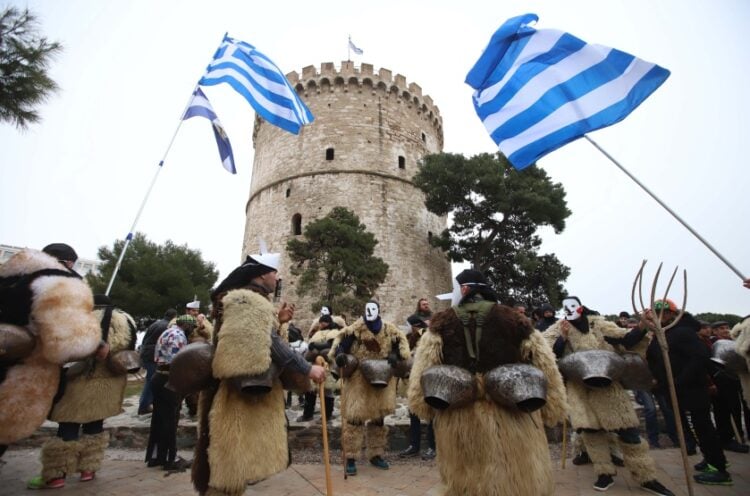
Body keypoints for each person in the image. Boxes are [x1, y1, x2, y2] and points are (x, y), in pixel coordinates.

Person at [408, 269, 567, 495]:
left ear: (464, 289)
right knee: (516, 478)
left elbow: (423, 370)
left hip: (459, 419)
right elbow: (545, 364)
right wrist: (552, 407)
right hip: (512, 414)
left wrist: (423, 407)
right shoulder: (514, 319)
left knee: (464, 482)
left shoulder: (441, 323)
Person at [191, 250, 326, 496]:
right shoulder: (248, 300)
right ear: (263, 275)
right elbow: (270, 343)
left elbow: (262, 335)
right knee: (228, 467)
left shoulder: (243, 299)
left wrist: (279, 320)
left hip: (239, 395)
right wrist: (307, 368)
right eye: (275, 272)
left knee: (236, 463)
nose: (277, 277)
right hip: (239, 396)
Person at [545, 296, 674, 495]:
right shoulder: (560, 328)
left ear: (581, 307)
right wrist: (562, 338)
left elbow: (625, 339)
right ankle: (604, 473)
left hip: (608, 386)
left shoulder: (599, 323)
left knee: (628, 431)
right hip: (580, 389)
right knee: (591, 432)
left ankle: (646, 477)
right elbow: (551, 354)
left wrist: (643, 325)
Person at [28, 295, 137, 489]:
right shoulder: (126, 321)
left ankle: (56, 473)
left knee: (69, 424)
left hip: (81, 381)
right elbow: (129, 351)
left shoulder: (83, 319)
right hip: (109, 383)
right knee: (95, 425)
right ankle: (88, 469)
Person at [0, 246, 101, 456]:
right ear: (70, 262)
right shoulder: (59, 281)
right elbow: (71, 344)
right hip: (19, 380)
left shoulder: (8, 277)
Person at [645, 299, 733, 486]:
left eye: (661, 313)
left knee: (703, 426)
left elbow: (699, 357)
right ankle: (711, 459)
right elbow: (654, 356)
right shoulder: (663, 333)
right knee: (696, 427)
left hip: (690, 388)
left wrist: (678, 381)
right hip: (675, 388)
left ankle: (719, 468)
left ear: (670, 314)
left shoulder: (682, 332)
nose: (658, 317)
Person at [330, 300, 410, 476]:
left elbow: (400, 345)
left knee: (378, 418)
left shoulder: (389, 329)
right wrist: (341, 355)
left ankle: (376, 454)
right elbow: (341, 345)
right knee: (355, 418)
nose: (370, 311)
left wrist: (395, 355)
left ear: (379, 311)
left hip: (382, 376)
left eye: (373, 308)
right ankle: (350, 457)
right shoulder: (355, 329)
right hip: (359, 379)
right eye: (368, 309)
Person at [144, 314, 195, 470]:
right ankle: (169, 459)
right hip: (168, 380)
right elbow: (175, 360)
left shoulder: (167, 331)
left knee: (158, 419)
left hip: (158, 377)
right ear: (186, 325)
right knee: (169, 421)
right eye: (191, 327)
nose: (192, 331)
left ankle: (155, 457)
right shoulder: (178, 335)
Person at [399, 310, 436, 460]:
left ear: (414, 326)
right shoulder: (410, 339)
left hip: (427, 379)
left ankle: (433, 447)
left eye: (408, 325)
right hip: (413, 382)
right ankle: (414, 446)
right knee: (413, 414)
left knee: (431, 414)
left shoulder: (427, 337)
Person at [710, 321, 749, 453]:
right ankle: (732, 437)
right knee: (729, 409)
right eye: (721, 328)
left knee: (740, 407)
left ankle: (741, 436)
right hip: (722, 380)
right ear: (714, 331)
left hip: (738, 378)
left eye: (727, 328)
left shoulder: (735, 342)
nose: (725, 330)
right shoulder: (715, 344)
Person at [298, 315, 340, 422]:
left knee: (327, 392)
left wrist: (316, 346)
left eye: (323, 322)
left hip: (327, 367)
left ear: (328, 322)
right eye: (320, 322)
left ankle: (327, 416)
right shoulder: (317, 333)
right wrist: (313, 347)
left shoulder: (335, 332)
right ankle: (307, 415)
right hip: (314, 366)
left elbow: (331, 345)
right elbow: (310, 345)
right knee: (310, 391)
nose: (321, 324)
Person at [138, 308, 178, 415]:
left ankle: (145, 403)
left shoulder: (156, 324)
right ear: (174, 317)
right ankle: (144, 405)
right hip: (153, 355)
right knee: (152, 380)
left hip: (146, 352)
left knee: (150, 379)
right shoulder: (166, 326)